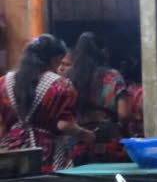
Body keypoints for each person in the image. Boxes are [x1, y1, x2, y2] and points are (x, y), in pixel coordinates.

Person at [0, 34, 94, 171]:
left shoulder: (3, 82)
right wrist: (84, 133)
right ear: (54, 59)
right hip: (45, 153)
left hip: (12, 153)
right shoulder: (61, 85)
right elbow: (64, 125)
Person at [67, 32, 130, 164]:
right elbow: (124, 114)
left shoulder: (68, 78)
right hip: (107, 138)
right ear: (103, 52)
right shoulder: (112, 76)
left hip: (76, 139)